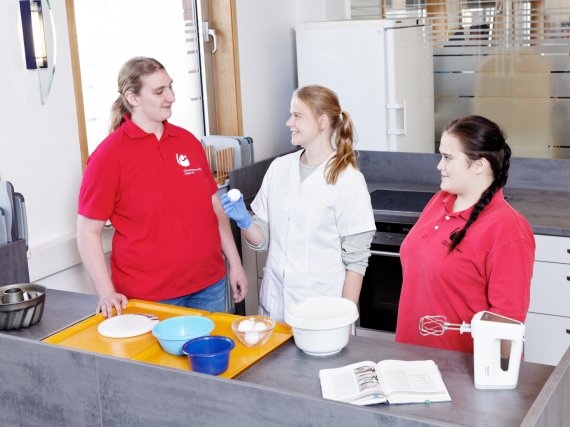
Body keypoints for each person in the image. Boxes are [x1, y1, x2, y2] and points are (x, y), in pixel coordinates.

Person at [77, 57, 247, 317]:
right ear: (132, 98)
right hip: (151, 297)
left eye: (170, 87)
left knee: (210, 358)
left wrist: (234, 263)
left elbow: (213, 207)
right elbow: (88, 231)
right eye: (159, 91)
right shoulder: (108, 157)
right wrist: (105, 291)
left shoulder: (188, 142)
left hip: (209, 285)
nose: (171, 96)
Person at [221, 85, 375, 322]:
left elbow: (356, 261)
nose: (288, 123)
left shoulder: (348, 179)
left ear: (322, 122)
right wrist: (244, 221)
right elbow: (263, 240)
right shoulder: (279, 168)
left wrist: (343, 318)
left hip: (322, 311)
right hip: (275, 306)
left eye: (297, 116)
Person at [395, 115, 535, 352]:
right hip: (410, 356)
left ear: (478, 164)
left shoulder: (508, 229)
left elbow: (506, 322)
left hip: (461, 372)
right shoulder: (440, 201)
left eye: (448, 158)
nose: (440, 166)